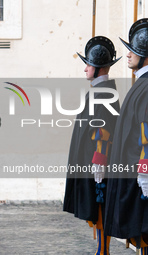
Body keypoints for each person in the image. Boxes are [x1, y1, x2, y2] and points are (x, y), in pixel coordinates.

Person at [63, 36, 121, 255]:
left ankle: (103, 251)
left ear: (98, 67)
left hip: (96, 163)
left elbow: (103, 132)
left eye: (88, 64)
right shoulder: (99, 90)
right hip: (89, 160)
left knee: (100, 208)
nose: (85, 68)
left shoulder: (105, 92)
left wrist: (99, 161)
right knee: (97, 209)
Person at [104, 18, 148, 254]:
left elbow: (146, 133)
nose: (128, 54)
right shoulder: (141, 83)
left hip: (139, 177)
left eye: (134, 50)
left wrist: (145, 172)